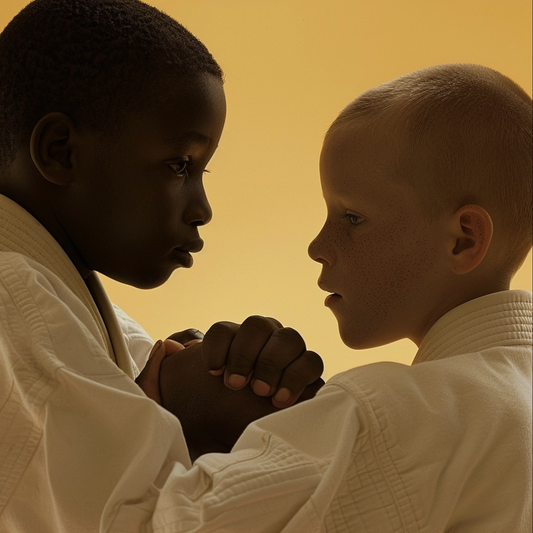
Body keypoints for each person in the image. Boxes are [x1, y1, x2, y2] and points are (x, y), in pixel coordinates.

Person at [111, 64, 531, 531]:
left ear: (463, 240)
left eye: (351, 218)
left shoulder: (384, 417)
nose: (317, 247)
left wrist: (163, 415)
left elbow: (146, 523)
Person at [0, 1, 324, 531]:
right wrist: (312, 436)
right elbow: (156, 522)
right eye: (180, 165)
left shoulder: (67, 311)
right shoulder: (18, 304)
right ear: (60, 152)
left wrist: (174, 399)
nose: (202, 209)